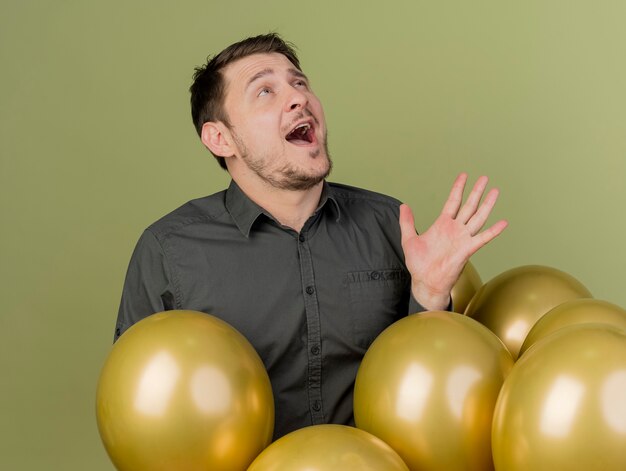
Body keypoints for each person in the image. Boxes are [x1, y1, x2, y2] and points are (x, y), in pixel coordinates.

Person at [114, 33, 508, 439]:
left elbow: (429, 390)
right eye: (265, 90)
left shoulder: (390, 223)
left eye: (299, 83)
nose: (297, 97)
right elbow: (140, 408)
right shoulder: (169, 251)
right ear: (220, 138)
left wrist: (429, 295)